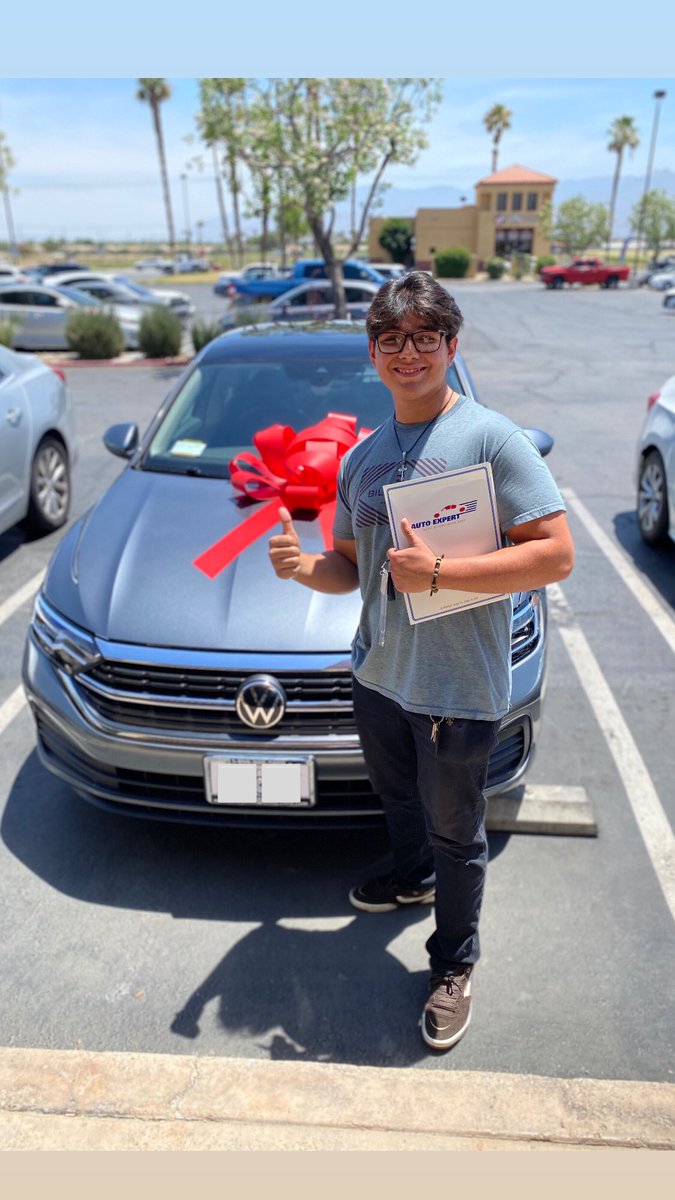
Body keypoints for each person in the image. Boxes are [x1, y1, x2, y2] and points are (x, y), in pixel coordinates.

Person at [268, 272, 574, 1051]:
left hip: (456, 689)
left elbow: (555, 556)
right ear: (374, 352)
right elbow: (349, 563)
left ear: (450, 345)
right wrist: (306, 568)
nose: (409, 353)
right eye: (392, 339)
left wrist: (442, 574)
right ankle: (408, 878)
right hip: (378, 675)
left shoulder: (490, 440)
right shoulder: (363, 458)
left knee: (457, 834)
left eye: (424, 337)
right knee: (397, 801)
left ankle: (451, 965)